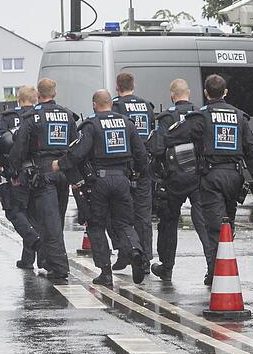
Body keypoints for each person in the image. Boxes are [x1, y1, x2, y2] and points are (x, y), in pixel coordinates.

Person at [164, 74, 253, 285]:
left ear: (205, 93)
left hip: (211, 177)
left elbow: (171, 137)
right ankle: (223, 262)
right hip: (235, 177)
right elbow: (252, 152)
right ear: (226, 92)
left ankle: (215, 271)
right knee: (227, 224)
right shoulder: (240, 116)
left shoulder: (201, 116)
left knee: (214, 226)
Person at [58, 90, 148, 285]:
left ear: (94, 104)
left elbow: (79, 153)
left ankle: (105, 272)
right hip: (122, 180)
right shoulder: (127, 123)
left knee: (96, 225)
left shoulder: (91, 125)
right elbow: (141, 154)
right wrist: (138, 174)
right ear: (111, 104)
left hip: (98, 182)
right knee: (124, 223)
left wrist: (61, 164)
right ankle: (135, 251)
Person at [9, 78, 79, 281]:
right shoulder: (68, 116)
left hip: (43, 173)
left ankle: (59, 268)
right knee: (57, 218)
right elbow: (75, 146)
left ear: (39, 95)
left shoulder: (33, 117)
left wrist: (14, 173)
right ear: (55, 94)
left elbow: (19, 148)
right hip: (63, 172)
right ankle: (49, 262)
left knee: (51, 223)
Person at [147, 78, 208, 282]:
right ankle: (214, 264)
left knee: (168, 221)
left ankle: (167, 266)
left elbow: (156, 148)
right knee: (203, 222)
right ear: (188, 93)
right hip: (199, 175)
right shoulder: (201, 115)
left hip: (173, 177)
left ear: (172, 95)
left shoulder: (166, 118)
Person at [111, 72, 155, 275]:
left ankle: (124, 251)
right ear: (133, 85)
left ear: (117, 87)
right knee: (143, 215)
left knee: (119, 213)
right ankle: (144, 258)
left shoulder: (115, 107)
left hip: (123, 165)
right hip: (144, 164)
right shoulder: (147, 106)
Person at [0, 86, 40, 269]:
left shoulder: (8, 118)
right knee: (33, 214)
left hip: (17, 171)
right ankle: (28, 259)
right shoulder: (40, 115)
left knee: (14, 210)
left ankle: (33, 240)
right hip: (39, 171)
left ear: (19, 100)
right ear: (35, 99)